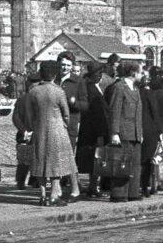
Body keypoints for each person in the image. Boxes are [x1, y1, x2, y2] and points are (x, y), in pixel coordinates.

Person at [25, 61, 79, 206]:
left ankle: (42, 195)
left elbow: (29, 114)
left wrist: (32, 127)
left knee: (40, 162)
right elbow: (66, 113)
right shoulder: (58, 91)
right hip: (57, 130)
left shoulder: (33, 91)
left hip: (39, 130)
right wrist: (64, 124)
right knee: (56, 163)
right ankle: (54, 195)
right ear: (55, 75)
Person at [109, 61, 144, 202]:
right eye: (141, 72)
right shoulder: (119, 87)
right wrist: (114, 132)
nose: (142, 75)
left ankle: (133, 193)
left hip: (135, 133)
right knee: (121, 163)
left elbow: (139, 113)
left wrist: (140, 132)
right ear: (133, 73)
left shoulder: (136, 89)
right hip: (123, 132)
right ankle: (118, 194)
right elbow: (115, 111)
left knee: (135, 164)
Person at [75, 63, 110, 197]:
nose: (100, 77)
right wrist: (101, 133)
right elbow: (97, 112)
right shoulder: (90, 88)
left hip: (91, 129)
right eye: (98, 74)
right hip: (93, 130)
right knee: (95, 159)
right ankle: (93, 187)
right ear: (93, 75)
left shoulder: (92, 86)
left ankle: (92, 186)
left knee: (93, 159)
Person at [57, 52, 88, 196]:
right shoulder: (54, 79)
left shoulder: (78, 81)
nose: (65, 68)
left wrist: (75, 103)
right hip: (54, 123)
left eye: (68, 65)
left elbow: (85, 105)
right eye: (63, 64)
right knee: (55, 156)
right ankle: (58, 188)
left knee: (68, 155)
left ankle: (74, 187)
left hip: (70, 124)